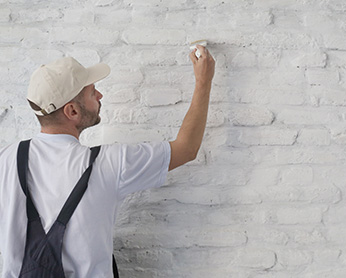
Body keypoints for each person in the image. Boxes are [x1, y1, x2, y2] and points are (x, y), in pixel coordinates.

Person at [0, 45, 215, 278]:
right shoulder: (111, 163)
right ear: (72, 111)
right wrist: (203, 80)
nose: (100, 95)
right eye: (92, 92)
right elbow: (186, 148)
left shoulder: (6, 159)